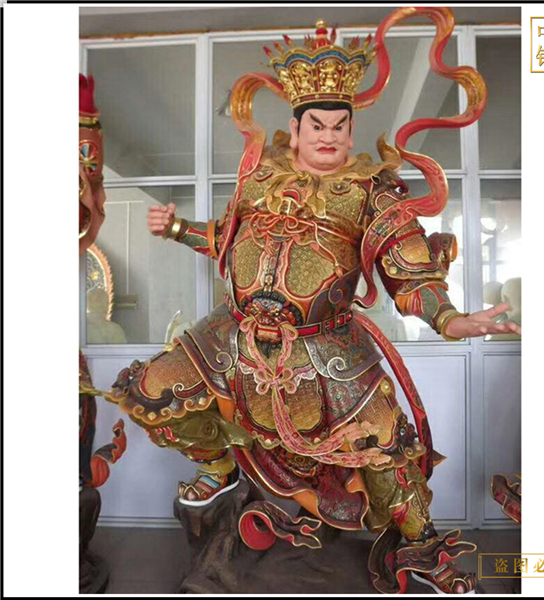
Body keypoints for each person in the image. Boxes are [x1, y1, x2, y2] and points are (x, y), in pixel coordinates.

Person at [104, 16, 520, 594]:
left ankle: (422, 547)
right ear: (295, 129)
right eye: (317, 125)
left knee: (386, 444)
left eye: (340, 127)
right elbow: (227, 238)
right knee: (153, 392)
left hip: (326, 345)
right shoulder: (259, 180)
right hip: (233, 332)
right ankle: (219, 467)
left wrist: (451, 319)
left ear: (351, 131)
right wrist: (177, 228)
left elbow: (408, 270)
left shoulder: (373, 192)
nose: (329, 137)